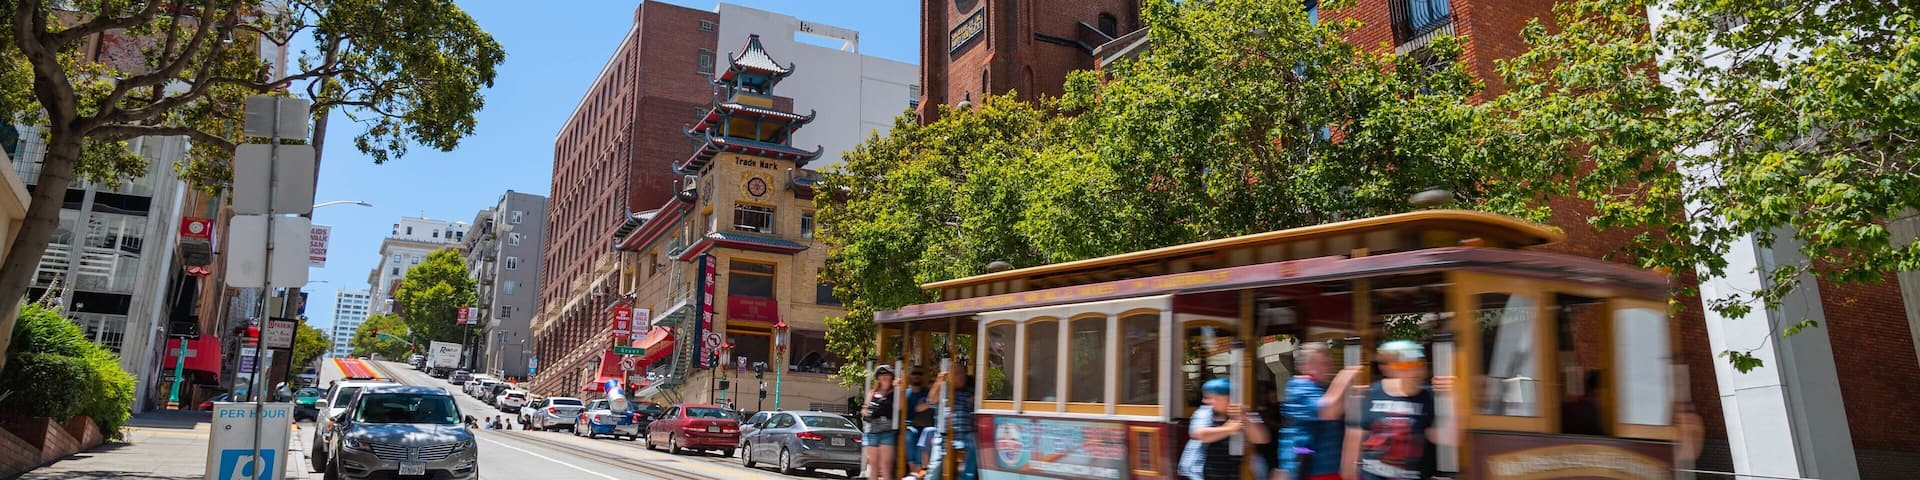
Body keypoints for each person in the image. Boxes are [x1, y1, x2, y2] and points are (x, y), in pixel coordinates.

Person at [1342, 340, 1454, 480]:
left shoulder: (1429, 398)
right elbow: (1353, 441)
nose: (1413, 370)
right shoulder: (1370, 393)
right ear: (1391, 368)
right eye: (1405, 364)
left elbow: (1450, 438)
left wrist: (1453, 396)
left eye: (1418, 364)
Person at [1279, 342, 1360, 480]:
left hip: (1332, 467)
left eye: (1324, 363)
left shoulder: (1322, 389)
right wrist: (1345, 376)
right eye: (1314, 362)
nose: (1320, 368)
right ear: (1302, 366)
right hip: (1314, 469)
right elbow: (1328, 411)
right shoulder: (1298, 386)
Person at [1181, 378, 1272, 480]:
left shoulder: (1242, 413)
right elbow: (1200, 435)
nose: (1205, 401)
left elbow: (1261, 438)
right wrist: (1229, 429)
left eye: (1210, 398)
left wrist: (1244, 417)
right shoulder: (1204, 413)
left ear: (1227, 398)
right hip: (1204, 474)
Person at [927, 368, 977, 480]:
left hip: (965, 435)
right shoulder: (944, 392)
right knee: (934, 468)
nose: (961, 377)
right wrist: (939, 381)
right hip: (944, 436)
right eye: (958, 374)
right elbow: (930, 401)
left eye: (963, 374)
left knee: (975, 443)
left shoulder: (969, 393)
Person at [863, 366, 900, 480]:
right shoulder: (872, 392)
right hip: (872, 431)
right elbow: (864, 410)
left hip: (887, 431)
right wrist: (868, 411)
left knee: (886, 468)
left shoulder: (895, 392)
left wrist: (899, 388)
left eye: (886, 374)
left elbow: (900, 407)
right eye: (881, 375)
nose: (884, 377)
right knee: (873, 467)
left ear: (891, 376)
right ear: (877, 378)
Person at [905, 373, 938, 476]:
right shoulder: (926, 396)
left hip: (932, 429)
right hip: (917, 426)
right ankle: (912, 468)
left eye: (935, 382)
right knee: (910, 435)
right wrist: (930, 403)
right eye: (931, 382)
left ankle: (919, 468)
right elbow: (918, 408)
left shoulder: (944, 396)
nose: (933, 385)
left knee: (925, 435)